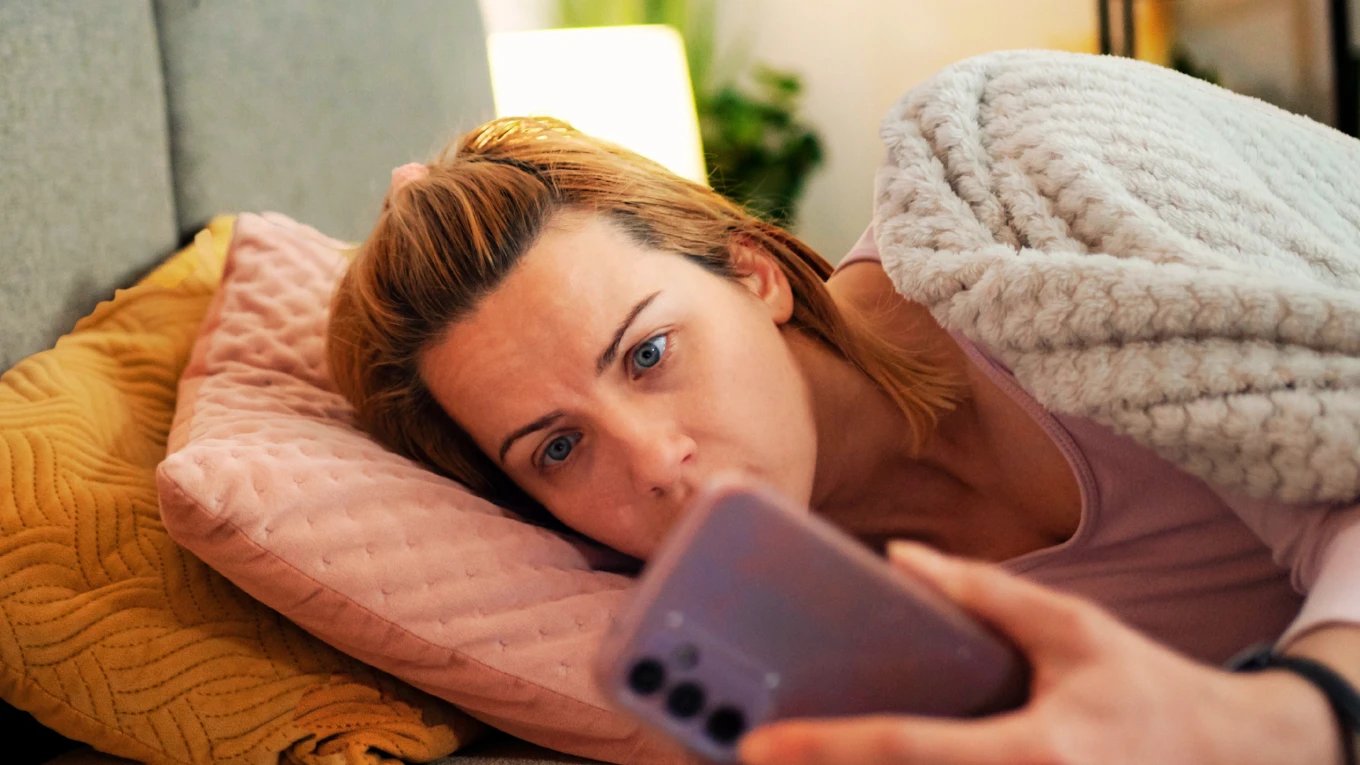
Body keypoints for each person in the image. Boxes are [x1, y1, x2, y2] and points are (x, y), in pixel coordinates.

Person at [326, 111, 1359, 764]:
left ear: (754, 274)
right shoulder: (816, 659)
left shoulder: (1017, 202)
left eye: (647, 354)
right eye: (558, 449)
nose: (654, 461)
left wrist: (1297, 716)